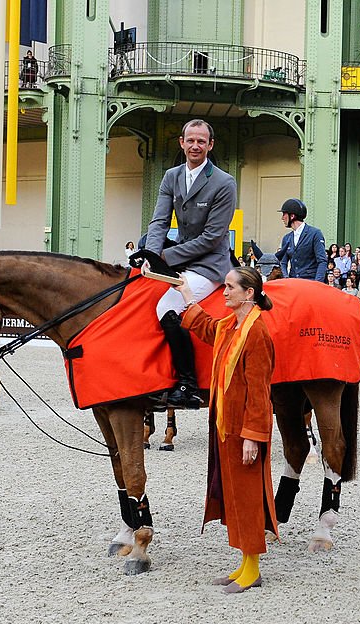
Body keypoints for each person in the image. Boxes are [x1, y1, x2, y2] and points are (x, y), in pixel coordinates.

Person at [176, 266, 277, 593]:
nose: (225, 291)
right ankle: (245, 564)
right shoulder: (230, 326)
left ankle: (254, 569)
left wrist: (253, 436)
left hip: (242, 431)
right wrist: (187, 294)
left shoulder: (256, 332)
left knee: (247, 498)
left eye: (231, 287)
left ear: (249, 293)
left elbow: (260, 390)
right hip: (224, 426)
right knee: (234, 497)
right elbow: (205, 327)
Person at [144, 119, 237, 409]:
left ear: (210, 145)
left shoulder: (224, 182)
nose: (195, 145)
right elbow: (159, 220)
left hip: (210, 264)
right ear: (181, 143)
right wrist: (149, 253)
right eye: (190, 140)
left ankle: (188, 384)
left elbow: (211, 238)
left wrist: (165, 258)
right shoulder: (171, 176)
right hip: (179, 257)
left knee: (167, 306)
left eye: (201, 141)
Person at [275, 198, 326, 281]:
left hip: (310, 282)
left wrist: (317, 283)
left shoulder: (315, 233)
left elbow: (322, 261)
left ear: (292, 216)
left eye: (284, 214)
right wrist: (286, 279)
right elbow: (283, 263)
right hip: (293, 282)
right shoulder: (286, 238)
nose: (282, 218)